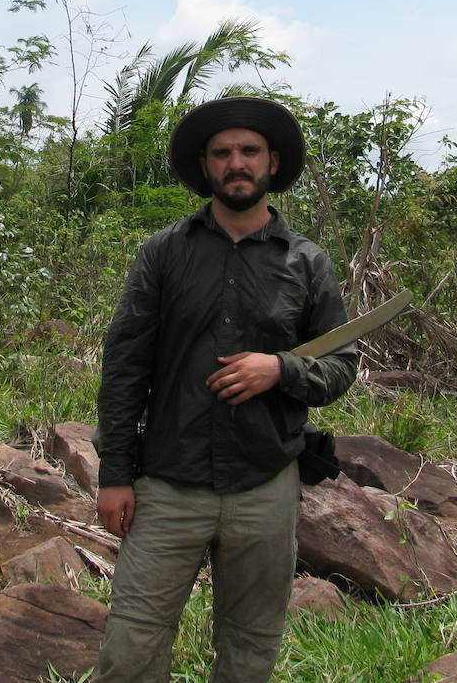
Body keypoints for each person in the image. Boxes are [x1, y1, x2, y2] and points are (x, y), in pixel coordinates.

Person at [93, 96, 358, 683]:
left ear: (272, 162)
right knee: (131, 644)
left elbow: (341, 365)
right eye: (223, 153)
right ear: (206, 166)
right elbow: (125, 366)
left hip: (265, 482)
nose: (236, 162)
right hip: (168, 480)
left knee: (249, 650)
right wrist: (114, 472)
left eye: (248, 151)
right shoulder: (164, 253)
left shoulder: (307, 263)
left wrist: (281, 369)